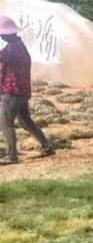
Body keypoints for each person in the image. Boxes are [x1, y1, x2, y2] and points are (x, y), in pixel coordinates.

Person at [0, 15, 55, 166]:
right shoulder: (19, 46)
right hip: (22, 91)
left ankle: (11, 155)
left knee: (5, 122)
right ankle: (46, 146)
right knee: (26, 121)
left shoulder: (11, 50)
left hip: (12, 92)